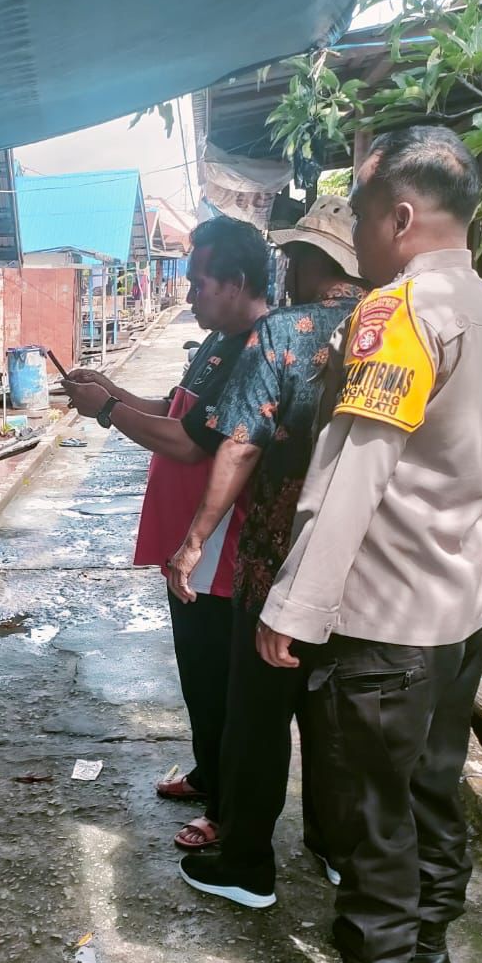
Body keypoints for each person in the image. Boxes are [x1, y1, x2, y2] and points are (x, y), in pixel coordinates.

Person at [252, 125, 482, 963]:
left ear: (401, 216)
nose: (360, 238)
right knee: (431, 788)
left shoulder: (399, 314)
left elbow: (353, 472)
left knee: (370, 804)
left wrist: (293, 604)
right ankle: (427, 950)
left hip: (384, 617)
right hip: (461, 609)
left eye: (364, 215)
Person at [164, 199, 366, 901]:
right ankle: (338, 850)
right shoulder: (393, 327)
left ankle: (247, 863)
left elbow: (240, 442)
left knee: (257, 716)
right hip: (367, 562)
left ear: (311, 262)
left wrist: (191, 543)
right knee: (336, 719)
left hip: (280, 557)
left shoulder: (286, 331)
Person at [65, 217, 271, 839]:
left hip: (217, 546)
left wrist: (105, 409)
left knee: (218, 679)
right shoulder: (216, 340)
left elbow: (186, 444)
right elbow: (174, 409)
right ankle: (210, 773)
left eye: (199, 283)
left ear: (236, 282)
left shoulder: (256, 351)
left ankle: (226, 816)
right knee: (196, 671)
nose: (189, 297)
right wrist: (112, 391)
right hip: (188, 544)